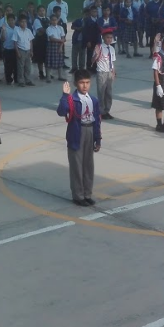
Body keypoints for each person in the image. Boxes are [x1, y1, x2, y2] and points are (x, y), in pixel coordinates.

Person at [57, 69, 102, 206]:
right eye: (82, 83)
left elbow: (97, 120)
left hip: (90, 130)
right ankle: (78, 195)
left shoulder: (93, 100)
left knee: (88, 165)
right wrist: (65, 96)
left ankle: (87, 194)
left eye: (87, 82)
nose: (85, 86)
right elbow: (61, 111)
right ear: (76, 83)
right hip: (77, 132)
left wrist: (98, 138)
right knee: (77, 165)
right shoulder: (72, 99)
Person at [91, 28, 118, 120]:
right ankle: (101, 112)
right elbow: (92, 61)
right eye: (107, 37)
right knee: (101, 93)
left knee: (109, 93)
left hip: (109, 72)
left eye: (111, 37)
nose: (109, 39)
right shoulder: (99, 47)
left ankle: (107, 110)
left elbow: (112, 62)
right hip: (101, 73)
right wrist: (96, 55)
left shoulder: (112, 49)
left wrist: (113, 72)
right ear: (103, 37)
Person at [12, 16, 36, 87]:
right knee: (21, 67)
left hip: (28, 50)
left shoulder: (28, 31)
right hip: (21, 50)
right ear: (19, 23)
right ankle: (21, 81)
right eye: (22, 22)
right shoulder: (17, 31)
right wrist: (17, 52)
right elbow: (15, 42)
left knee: (28, 66)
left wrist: (31, 51)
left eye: (25, 22)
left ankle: (28, 80)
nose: (24, 23)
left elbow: (30, 41)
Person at [46, 15, 68, 81]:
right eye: (52, 20)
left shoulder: (60, 28)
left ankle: (60, 76)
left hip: (59, 45)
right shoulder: (48, 29)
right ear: (50, 21)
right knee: (49, 61)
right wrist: (61, 40)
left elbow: (63, 37)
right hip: (52, 45)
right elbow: (51, 38)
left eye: (55, 20)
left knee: (60, 61)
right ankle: (48, 77)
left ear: (57, 20)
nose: (54, 21)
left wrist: (61, 47)